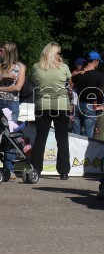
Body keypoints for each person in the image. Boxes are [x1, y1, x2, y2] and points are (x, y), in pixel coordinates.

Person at [30, 42, 72, 180]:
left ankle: (36, 169)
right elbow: (69, 82)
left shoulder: (36, 67)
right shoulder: (64, 67)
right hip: (61, 105)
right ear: (55, 54)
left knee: (40, 138)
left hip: (42, 104)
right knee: (62, 138)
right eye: (59, 53)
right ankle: (64, 171)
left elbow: (34, 82)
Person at [0, 41, 27, 179]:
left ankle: (9, 169)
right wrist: (3, 77)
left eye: (2, 50)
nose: (0, 53)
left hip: (11, 103)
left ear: (9, 52)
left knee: (10, 136)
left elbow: (18, 87)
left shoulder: (20, 66)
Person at [71, 51, 104, 138]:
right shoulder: (98, 76)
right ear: (95, 61)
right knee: (88, 134)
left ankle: (73, 150)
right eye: (98, 62)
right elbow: (99, 92)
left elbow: (72, 79)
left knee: (75, 133)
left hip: (78, 105)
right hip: (90, 105)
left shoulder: (79, 74)